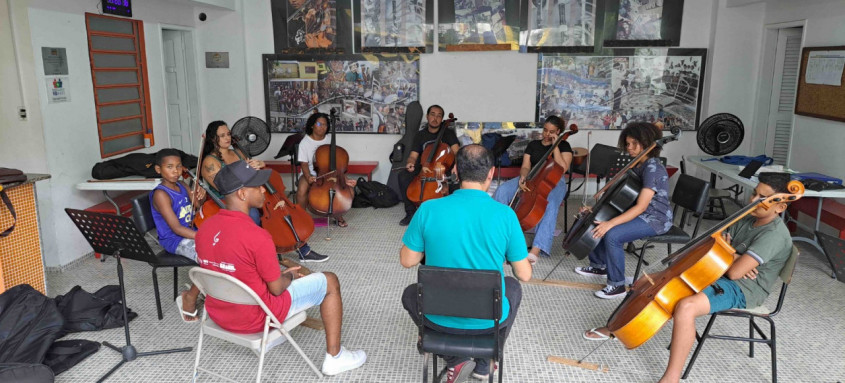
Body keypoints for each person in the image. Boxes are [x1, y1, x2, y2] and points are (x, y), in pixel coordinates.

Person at [583, 174, 795, 383]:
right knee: (644, 282)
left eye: (763, 198)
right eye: (755, 194)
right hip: (716, 270)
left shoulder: (774, 235)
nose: (754, 201)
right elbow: (716, 244)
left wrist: (731, 256)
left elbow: (735, 273)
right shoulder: (747, 217)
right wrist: (734, 256)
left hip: (743, 288)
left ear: (780, 207)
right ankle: (615, 327)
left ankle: (672, 378)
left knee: (686, 307)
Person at [195, 161, 367, 376]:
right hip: (256, 318)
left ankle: (273, 339)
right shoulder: (258, 236)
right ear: (241, 194)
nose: (262, 189)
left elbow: (226, 268)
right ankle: (335, 357)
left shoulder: (204, 228)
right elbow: (276, 289)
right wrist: (290, 277)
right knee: (330, 280)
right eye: (256, 186)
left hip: (219, 314)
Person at [400, 145, 532, 383]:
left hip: (437, 318)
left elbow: (407, 260)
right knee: (513, 287)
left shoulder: (428, 208)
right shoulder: (506, 215)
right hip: (487, 320)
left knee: (410, 294)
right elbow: (524, 274)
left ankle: (453, 359)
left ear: (456, 173)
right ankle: (487, 359)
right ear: (491, 174)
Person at [201, 120, 328, 263]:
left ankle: (303, 249)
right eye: (222, 135)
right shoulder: (210, 162)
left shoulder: (237, 152)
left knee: (279, 209)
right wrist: (245, 173)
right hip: (232, 201)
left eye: (228, 134)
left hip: (250, 193)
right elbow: (223, 187)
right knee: (255, 214)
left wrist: (260, 165)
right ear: (213, 138)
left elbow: (252, 174)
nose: (227, 138)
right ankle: (259, 254)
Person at [574, 122, 673, 299]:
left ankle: (617, 285)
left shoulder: (652, 168)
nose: (630, 148)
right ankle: (600, 265)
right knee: (596, 218)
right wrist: (595, 209)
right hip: (639, 213)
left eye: (635, 144)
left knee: (612, 234)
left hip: (655, 219)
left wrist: (610, 223)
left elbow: (642, 206)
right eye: (628, 144)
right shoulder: (638, 164)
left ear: (648, 143)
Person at [493, 115, 573, 264]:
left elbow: (562, 169)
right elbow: (525, 166)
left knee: (550, 203)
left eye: (551, 132)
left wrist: (555, 146)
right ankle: (498, 236)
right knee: (502, 191)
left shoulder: (564, 146)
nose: (547, 134)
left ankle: (537, 248)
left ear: (558, 132)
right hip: (532, 177)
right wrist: (523, 177)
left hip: (555, 181)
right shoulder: (533, 145)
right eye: (545, 130)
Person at [150, 149, 205, 322]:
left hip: (190, 232)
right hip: (175, 239)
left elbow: (196, 206)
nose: (175, 171)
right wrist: (203, 237)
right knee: (211, 256)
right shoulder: (161, 194)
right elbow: (176, 228)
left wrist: (200, 196)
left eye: (179, 166)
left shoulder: (182, 185)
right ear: (159, 170)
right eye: (170, 167)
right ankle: (190, 297)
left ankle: (213, 292)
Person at [397, 105, 460, 226]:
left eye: (439, 116)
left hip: (443, 167)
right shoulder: (420, 135)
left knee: (455, 181)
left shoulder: (448, 133)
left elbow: (457, 152)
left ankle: (451, 213)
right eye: (432, 114)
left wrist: (456, 167)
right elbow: (413, 156)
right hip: (425, 166)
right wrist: (410, 163)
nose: (435, 118)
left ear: (442, 119)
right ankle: (410, 213)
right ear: (427, 116)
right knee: (403, 176)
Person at [296, 112, 357, 228]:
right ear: (312, 125)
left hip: (329, 172)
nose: (322, 127)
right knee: (302, 189)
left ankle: (338, 215)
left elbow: (338, 164)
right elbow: (304, 164)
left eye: (325, 125)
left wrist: (346, 179)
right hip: (311, 172)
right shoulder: (305, 142)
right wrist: (308, 176)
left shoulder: (330, 139)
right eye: (319, 124)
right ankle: (301, 217)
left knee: (349, 190)